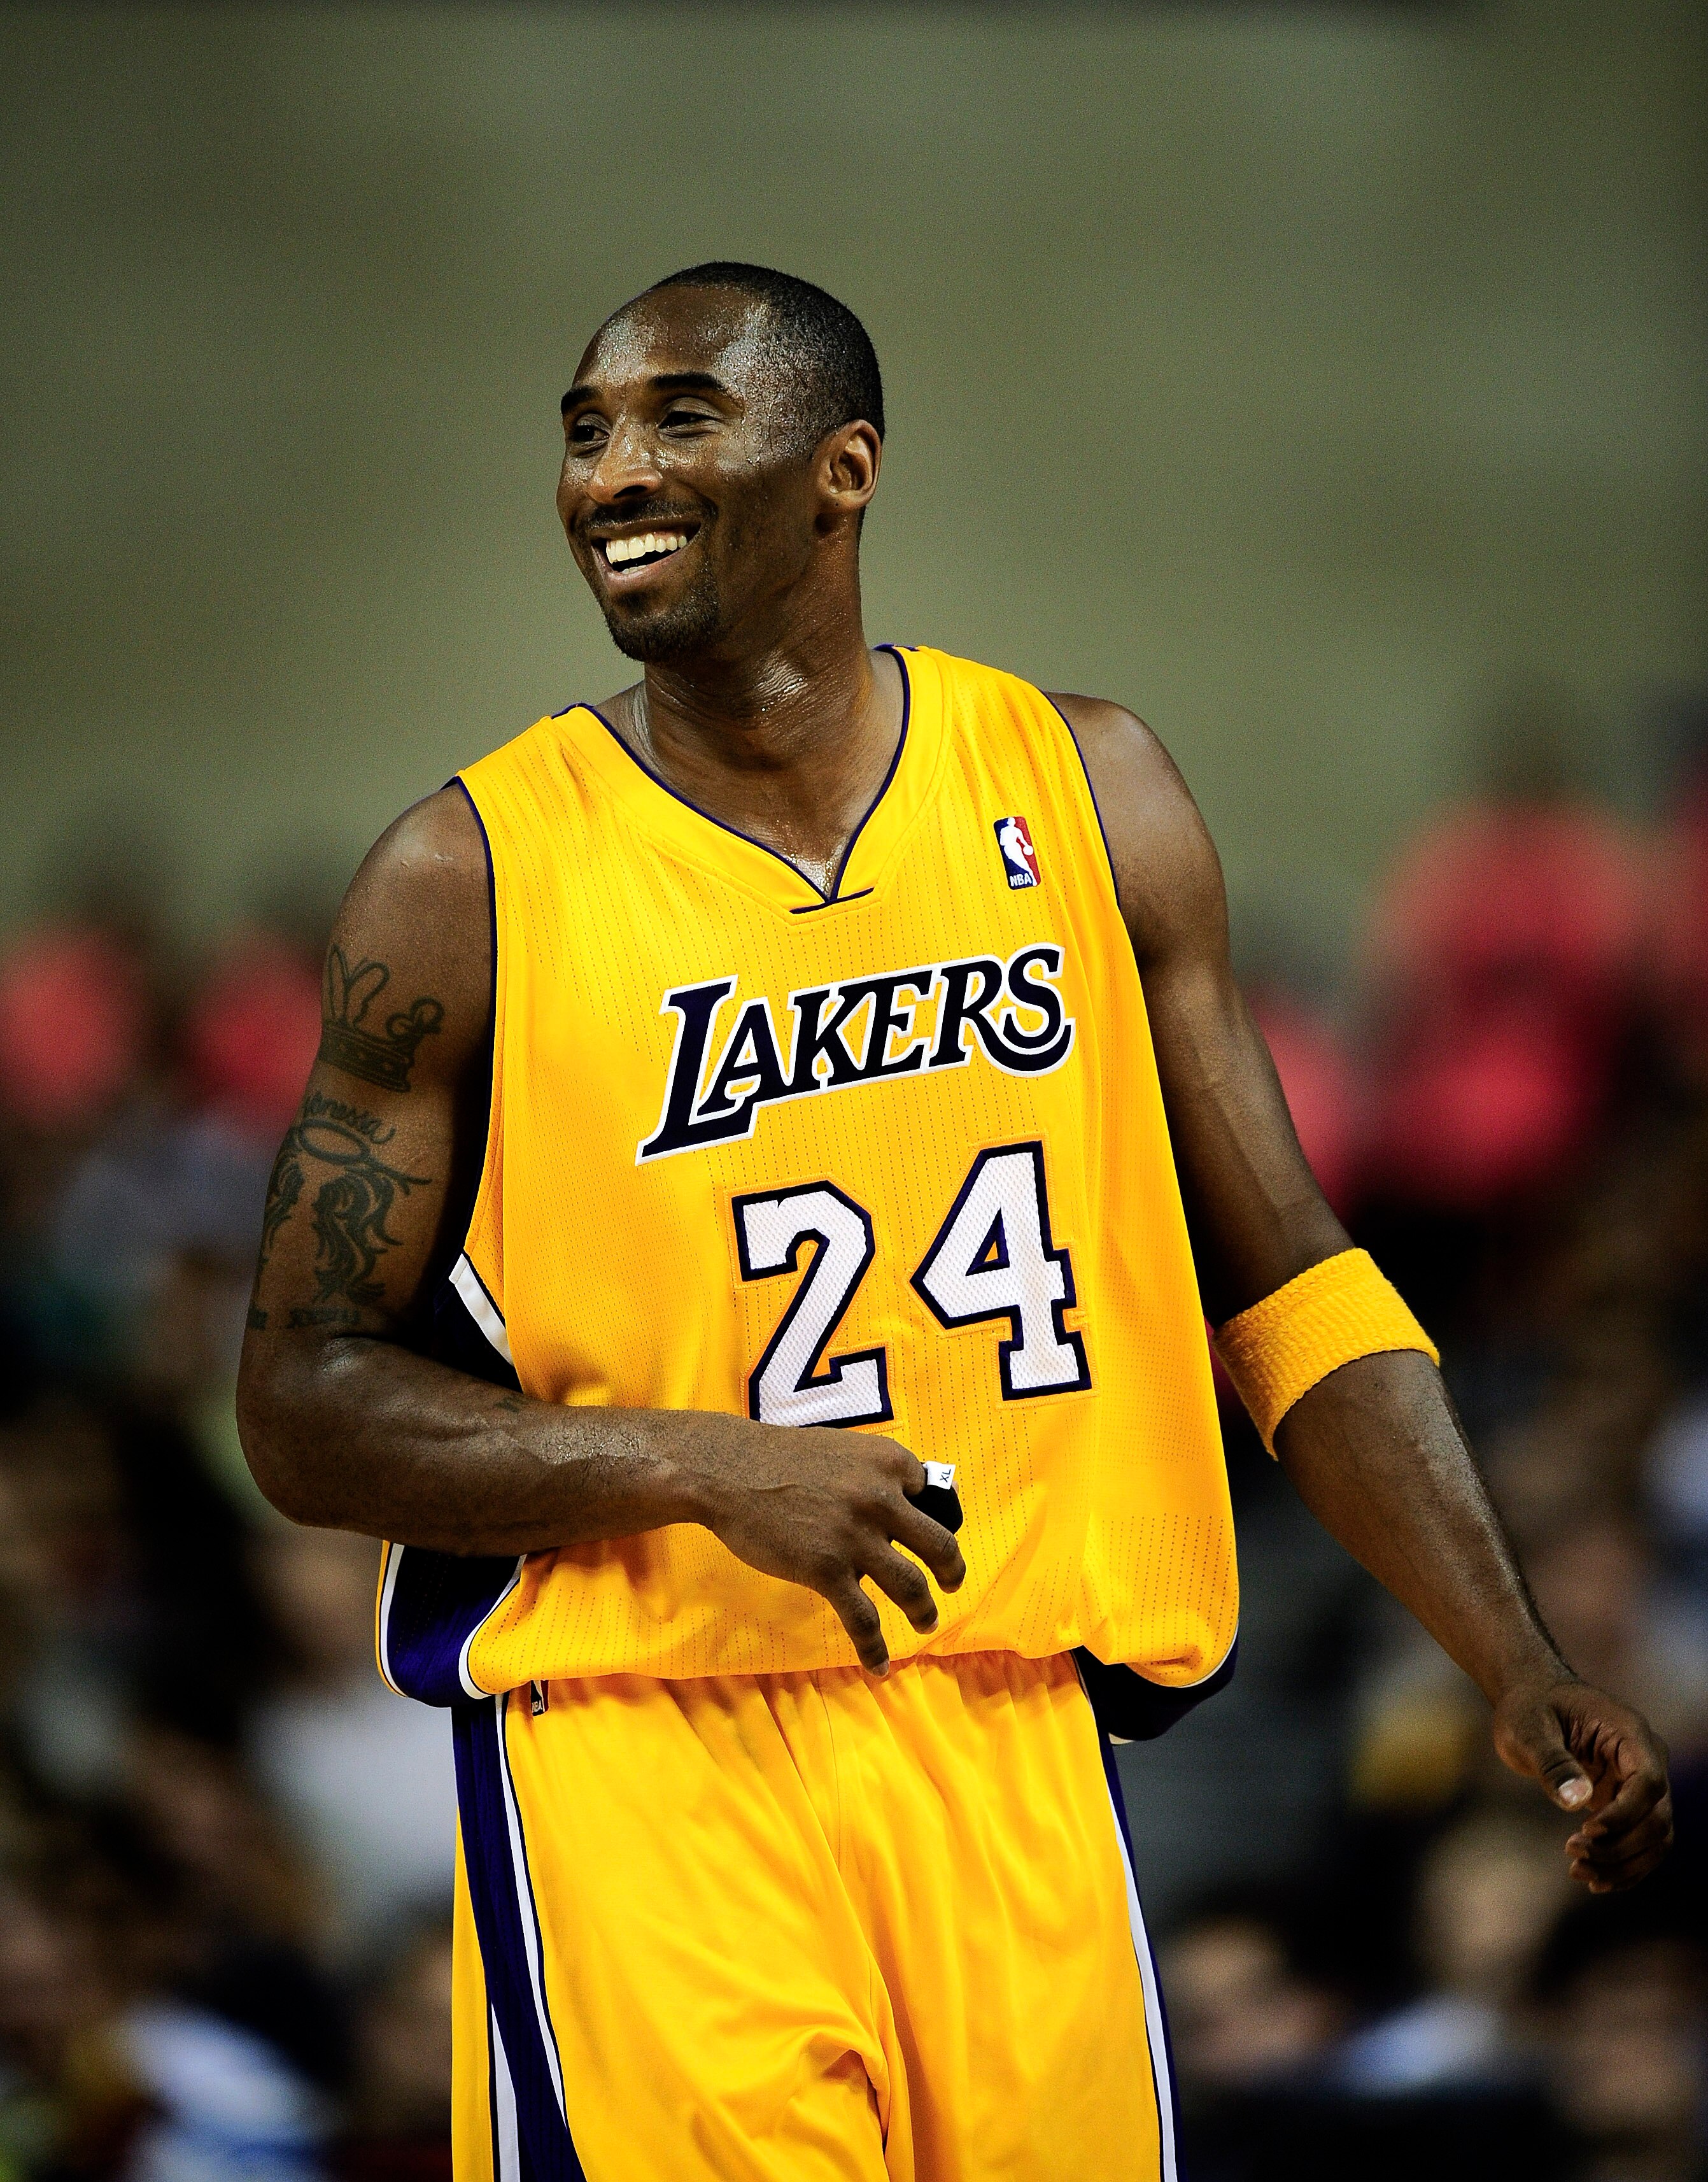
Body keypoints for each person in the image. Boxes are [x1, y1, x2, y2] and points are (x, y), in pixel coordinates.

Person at [236, 263, 1672, 2182]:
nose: (610, 471)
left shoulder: (1090, 790)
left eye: (678, 416)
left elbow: (1288, 1279)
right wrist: (698, 1466)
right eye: (583, 431)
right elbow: (299, 1402)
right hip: (652, 1759)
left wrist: (1510, 1652)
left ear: (843, 469)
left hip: (1016, 1730)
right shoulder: (462, 879)